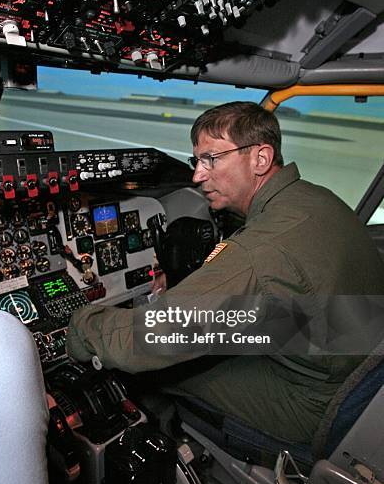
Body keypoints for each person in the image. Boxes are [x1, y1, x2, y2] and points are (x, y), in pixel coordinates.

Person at [67, 102, 384, 443]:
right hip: (356, 361)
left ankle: (181, 450)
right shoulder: (317, 199)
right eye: (196, 161)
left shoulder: (260, 252)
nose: (197, 175)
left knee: (167, 366)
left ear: (260, 159)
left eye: (211, 159)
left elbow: (151, 337)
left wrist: (81, 327)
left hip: (320, 402)